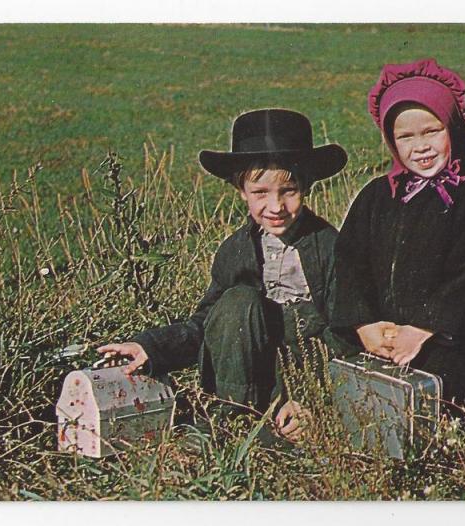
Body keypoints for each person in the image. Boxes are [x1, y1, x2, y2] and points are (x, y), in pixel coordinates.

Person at [98, 108, 348, 440]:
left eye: (288, 191)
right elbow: (206, 322)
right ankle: (234, 419)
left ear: (307, 186)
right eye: (260, 193)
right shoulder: (236, 250)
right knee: (237, 302)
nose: (275, 206)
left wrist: (309, 397)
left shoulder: (329, 246)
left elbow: (345, 331)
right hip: (247, 375)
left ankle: (288, 425)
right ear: (241, 190)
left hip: (304, 375)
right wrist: (152, 347)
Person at [331, 59, 465, 416]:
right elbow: (349, 263)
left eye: (431, 131)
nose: (420, 146)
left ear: (452, 128)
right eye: (405, 136)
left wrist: (424, 327)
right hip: (382, 335)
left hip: (445, 337)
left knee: (444, 385)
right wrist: (365, 324)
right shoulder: (376, 196)